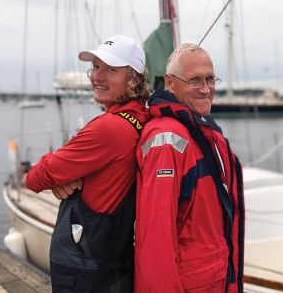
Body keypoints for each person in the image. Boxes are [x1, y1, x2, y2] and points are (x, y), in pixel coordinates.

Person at [25, 35, 150, 292]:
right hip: (112, 265)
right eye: (95, 66)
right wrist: (64, 177)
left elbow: (34, 179)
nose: (97, 76)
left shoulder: (109, 128)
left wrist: (58, 174)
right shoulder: (140, 120)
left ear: (135, 78)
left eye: (111, 69)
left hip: (85, 272)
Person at [134, 43, 245, 292]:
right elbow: (155, 239)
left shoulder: (198, 129)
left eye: (210, 79)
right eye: (195, 80)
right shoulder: (167, 140)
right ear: (170, 83)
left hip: (212, 279)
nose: (206, 89)